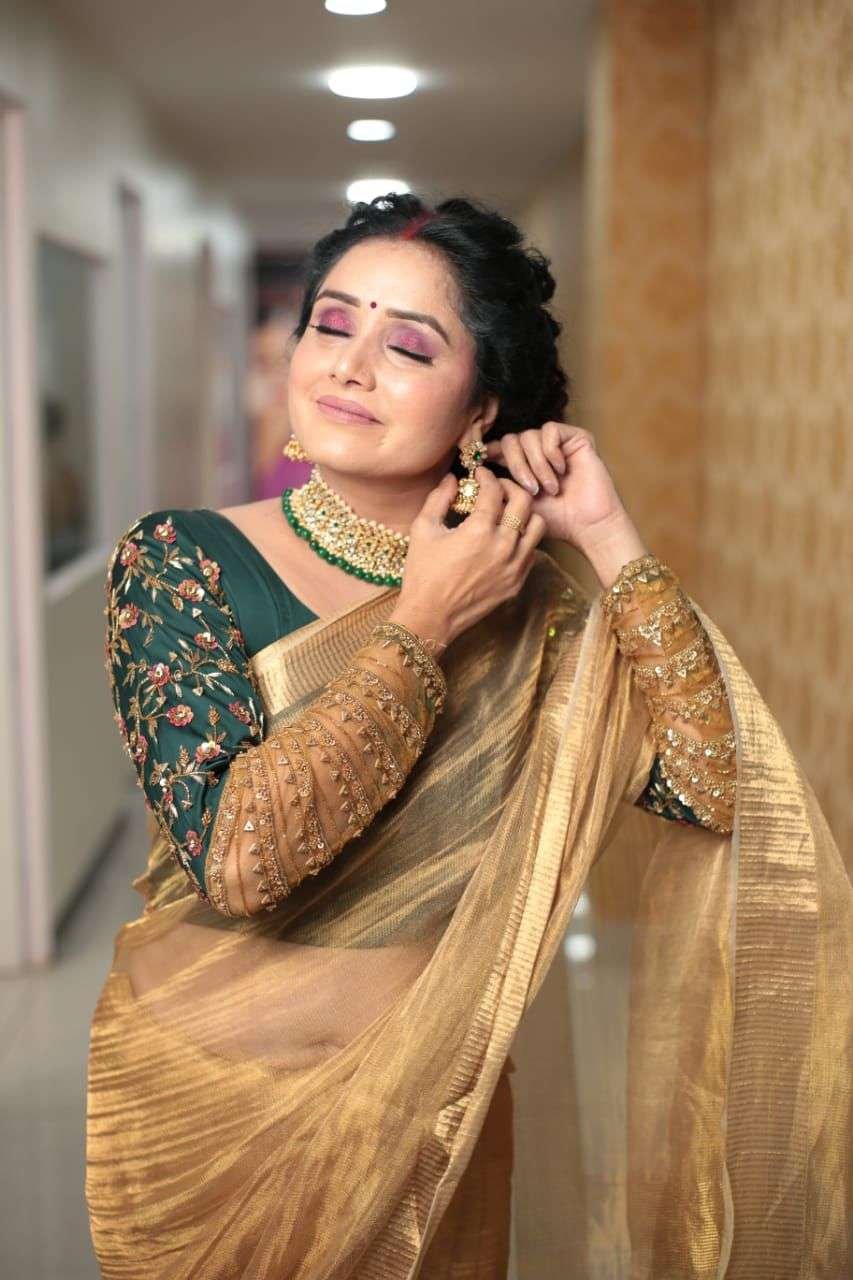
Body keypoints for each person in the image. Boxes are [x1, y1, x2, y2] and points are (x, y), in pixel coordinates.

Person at [86, 194, 850, 1279]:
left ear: (479, 408)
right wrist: (423, 624)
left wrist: (606, 535)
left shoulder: (533, 608)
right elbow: (241, 858)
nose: (350, 366)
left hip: (426, 1100)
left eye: (406, 347)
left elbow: (715, 783)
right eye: (330, 323)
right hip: (210, 1105)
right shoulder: (180, 560)